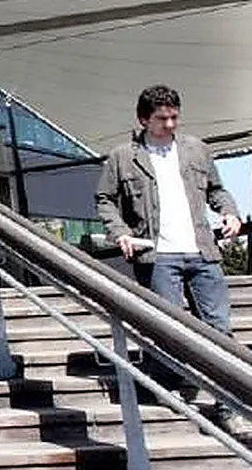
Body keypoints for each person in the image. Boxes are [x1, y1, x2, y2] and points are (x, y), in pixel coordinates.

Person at [96, 85, 244, 415]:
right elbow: (104, 199)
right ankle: (171, 385)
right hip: (157, 253)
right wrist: (120, 232)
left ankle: (227, 398)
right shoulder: (123, 156)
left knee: (218, 327)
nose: (170, 125)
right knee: (168, 327)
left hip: (203, 250)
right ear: (143, 119)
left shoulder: (196, 149)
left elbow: (217, 189)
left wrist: (229, 212)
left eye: (175, 117)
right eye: (162, 118)